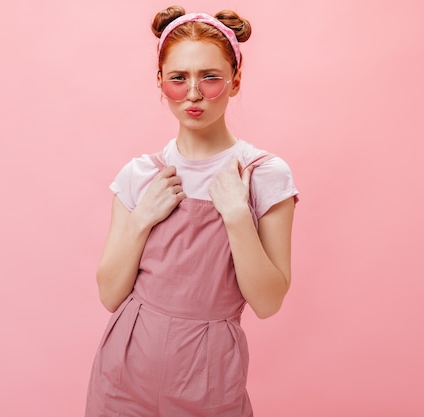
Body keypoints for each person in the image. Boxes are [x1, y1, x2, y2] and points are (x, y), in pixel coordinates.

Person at [85, 6, 299, 417]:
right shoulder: (140, 173)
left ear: (235, 81)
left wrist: (237, 216)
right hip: (124, 372)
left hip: (209, 376)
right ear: (160, 82)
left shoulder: (264, 174)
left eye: (211, 77)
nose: (194, 93)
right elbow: (110, 294)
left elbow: (268, 301)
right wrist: (142, 217)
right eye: (179, 78)